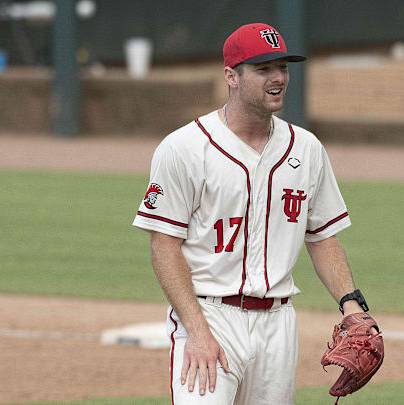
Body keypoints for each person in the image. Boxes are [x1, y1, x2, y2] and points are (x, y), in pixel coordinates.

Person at [132, 23, 374, 404]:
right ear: (231, 76)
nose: (278, 78)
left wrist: (352, 304)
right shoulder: (184, 148)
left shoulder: (306, 149)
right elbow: (164, 245)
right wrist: (197, 331)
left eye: (283, 67)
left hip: (278, 325)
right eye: (263, 69)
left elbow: (323, 236)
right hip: (210, 315)